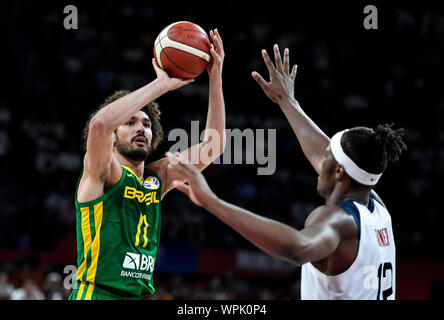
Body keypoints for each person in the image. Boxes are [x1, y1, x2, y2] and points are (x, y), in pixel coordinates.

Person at [166, 44, 407, 300]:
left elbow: (298, 248)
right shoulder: (378, 210)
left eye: (326, 158)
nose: (318, 160)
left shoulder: (338, 221)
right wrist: (288, 102)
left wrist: (211, 201)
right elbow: (332, 155)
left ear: (338, 171)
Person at [68, 29, 225, 300]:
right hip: (97, 295)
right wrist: (162, 84)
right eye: (130, 122)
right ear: (114, 138)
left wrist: (215, 76)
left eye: (147, 124)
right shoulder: (103, 172)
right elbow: (101, 125)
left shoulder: (158, 177)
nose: (141, 128)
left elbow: (214, 147)